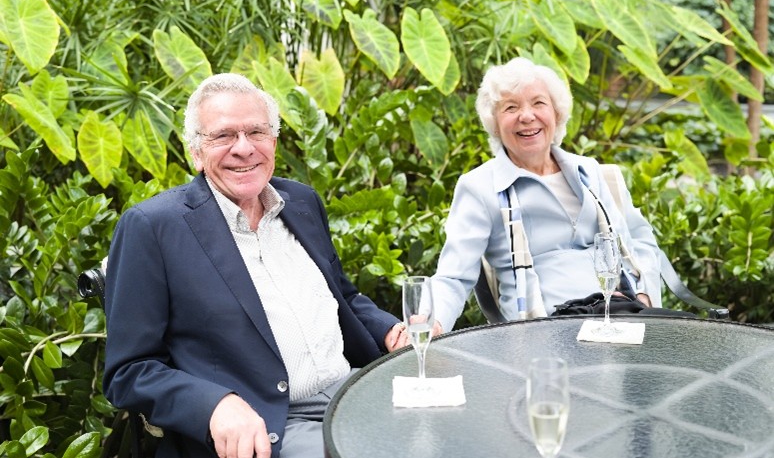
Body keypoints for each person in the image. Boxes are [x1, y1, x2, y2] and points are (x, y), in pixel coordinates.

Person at [103, 73, 409, 458]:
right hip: (270, 422)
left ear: (274, 143)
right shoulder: (153, 227)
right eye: (223, 136)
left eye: (256, 133)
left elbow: (341, 296)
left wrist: (391, 330)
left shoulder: (301, 202)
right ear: (195, 152)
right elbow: (129, 371)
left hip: (354, 390)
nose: (243, 149)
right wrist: (214, 405)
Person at [431, 57, 663, 333]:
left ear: (556, 113)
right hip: (547, 332)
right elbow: (453, 276)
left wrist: (643, 295)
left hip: (622, 319)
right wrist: (430, 323)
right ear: (494, 123)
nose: (527, 116)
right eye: (511, 107)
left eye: (538, 103)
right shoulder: (480, 187)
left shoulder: (588, 172)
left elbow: (636, 240)